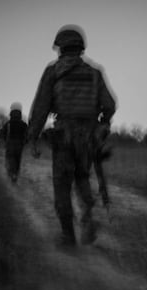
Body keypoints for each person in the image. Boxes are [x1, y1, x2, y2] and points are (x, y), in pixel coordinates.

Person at [28, 25, 116, 246]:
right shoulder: (95, 72)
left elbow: (41, 107)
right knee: (82, 177)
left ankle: (68, 235)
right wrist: (102, 125)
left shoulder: (53, 71)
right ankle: (87, 216)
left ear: (61, 47)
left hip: (64, 136)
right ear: (80, 47)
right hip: (88, 138)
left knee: (62, 184)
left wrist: (33, 137)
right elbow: (109, 105)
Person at [0, 102, 28, 183]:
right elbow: (27, 135)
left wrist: (5, 141)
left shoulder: (8, 124)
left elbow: (3, 134)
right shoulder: (24, 124)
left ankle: (11, 174)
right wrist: (24, 143)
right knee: (17, 160)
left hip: (10, 144)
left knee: (9, 160)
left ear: (11, 111)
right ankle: (15, 175)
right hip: (20, 145)